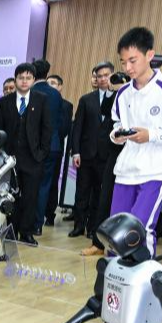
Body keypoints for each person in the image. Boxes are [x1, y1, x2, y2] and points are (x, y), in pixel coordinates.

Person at [108, 27, 162, 255]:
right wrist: (117, 135)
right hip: (126, 169)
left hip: (156, 171)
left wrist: (152, 135)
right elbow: (117, 123)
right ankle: (115, 275)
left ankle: (144, 275)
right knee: (116, 230)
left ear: (149, 55)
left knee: (138, 229)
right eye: (123, 62)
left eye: (133, 60)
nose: (128, 68)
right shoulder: (123, 93)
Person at [0, 62, 52, 246]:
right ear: (15, 79)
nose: (24, 81)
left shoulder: (42, 100)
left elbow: (47, 129)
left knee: (31, 196)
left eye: (28, 78)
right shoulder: (5, 102)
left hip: (33, 158)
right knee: (11, 196)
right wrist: (1, 154)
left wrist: (42, 153)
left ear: (33, 80)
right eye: (21, 78)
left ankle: (26, 232)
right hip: (10, 159)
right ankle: (10, 230)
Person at [70, 63, 113, 239]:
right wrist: (75, 151)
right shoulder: (86, 99)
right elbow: (77, 128)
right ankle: (78, 225)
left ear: (112, 75)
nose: (102, 79)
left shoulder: (119, 98)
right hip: (86, 154)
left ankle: (93, 228)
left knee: (99, 195)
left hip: (106, 155)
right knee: (82, 192)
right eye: (99, 76)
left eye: (106, 75)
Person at [30, 59, 64, 236]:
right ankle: (38, 225)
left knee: (29, 185)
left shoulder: (31, 92)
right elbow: (60, 122)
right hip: (53, 145)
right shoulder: (56, 94)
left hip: (33, 147)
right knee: (44, 186)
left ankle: (26, 222)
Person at [46, 73, 74, 227]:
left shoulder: (66, 105)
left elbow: (64, 129)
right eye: (48, 83)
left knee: (52, 183)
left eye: (54, 83)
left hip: (55, 150)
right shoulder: (39, 101)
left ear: (60, 86)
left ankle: (50, 214)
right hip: (38, 150)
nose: (50, 86)